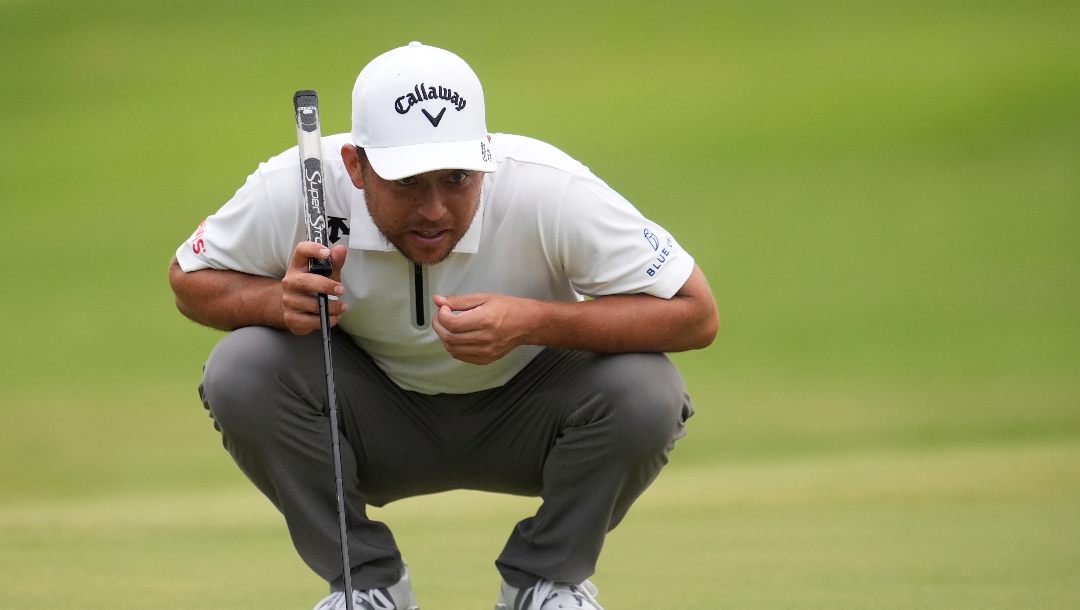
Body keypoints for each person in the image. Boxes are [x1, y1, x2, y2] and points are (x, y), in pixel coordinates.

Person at [169, 41, 718, 610]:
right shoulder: (296, 184)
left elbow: (694, 311)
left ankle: (546, 583)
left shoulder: (548, 187)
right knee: (242, 369)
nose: (434, 209)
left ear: (484, 159)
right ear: (356, 166)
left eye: (456, 178)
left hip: (530, 417)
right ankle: (368, 587)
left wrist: (534, 321)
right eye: (407, 182)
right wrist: (275, 303)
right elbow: (189, 277)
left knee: (647, 389)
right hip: (368, 424)